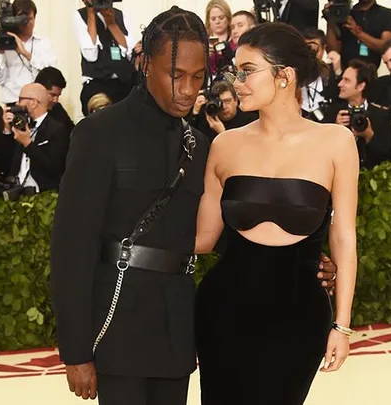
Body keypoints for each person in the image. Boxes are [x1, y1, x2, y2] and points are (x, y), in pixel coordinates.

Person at [51, 7, 338, 405]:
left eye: (198, 77)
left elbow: (214, 234)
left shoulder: (197, 144)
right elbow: (71, 248)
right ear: (146, 64)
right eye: (176, 75)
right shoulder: (99, 133)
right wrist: (76, 351)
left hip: (179, 331)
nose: (188, 89)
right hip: (117, 325)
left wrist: (303, 259)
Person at [195, 22, 358, 405]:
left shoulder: (335, 142)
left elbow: (344, 237)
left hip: (300, 318)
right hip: (224, 313)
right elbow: (202, 239)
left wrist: (343, 326)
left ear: (284, 76)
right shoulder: (224, 145)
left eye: (248, 70)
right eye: (235, 70)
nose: (237, 81)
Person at [0, 83, 68, 191]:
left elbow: (54, 169)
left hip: (42, 194)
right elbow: (4, 164)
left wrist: (28, 144)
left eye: (21, 99)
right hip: (15, 191)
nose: (17, 103)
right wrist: (7, 130)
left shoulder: (57, 129)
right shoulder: (20, 124)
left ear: (33, 103)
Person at [324, 59, 391, 169]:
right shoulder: (333, 112)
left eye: (346, 80)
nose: (340, 84)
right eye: (342, 79)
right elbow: (323, 152)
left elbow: (387, 157)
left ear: (361, 86)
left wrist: (369, 135)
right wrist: (336, 128)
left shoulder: (381, 115)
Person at [74, 0, 137, 116]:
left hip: (123, 81)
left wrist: (112, 24)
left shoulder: (122, 16)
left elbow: (131, 54)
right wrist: (91, 13)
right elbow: (90, 55)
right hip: (97, 83)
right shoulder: (81, 16)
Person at [0, 0, 57, 105]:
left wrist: (26, 54)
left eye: (30, 19)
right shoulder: (4, 43)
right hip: (13, 102)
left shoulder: (44, 43)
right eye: (22, 19)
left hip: (39, 103)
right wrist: (0, 50)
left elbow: (51, 73)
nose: (27, 23)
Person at [324, 0, 391, 69]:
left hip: (370, 74)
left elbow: (388, 47)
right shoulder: (344, 13)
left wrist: (358, 33)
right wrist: (330, 19)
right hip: (345, 72)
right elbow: (333, 51)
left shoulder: (386, 14)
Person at [190, 79, 257, 142]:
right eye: (220, 103)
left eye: (228, 101)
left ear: (236, 100)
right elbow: (191, 141)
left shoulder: (250, 120)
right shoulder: (209, 117)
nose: (224, 107)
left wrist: (222, 132)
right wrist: (195, 113)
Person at [34, 67, 74, 137]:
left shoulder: (57, 109)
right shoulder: (25, 111)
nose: (56, 100)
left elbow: (73, 132)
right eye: (52, 95)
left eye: (58, 96)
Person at [205, 0, 234, 78]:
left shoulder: (235, 39)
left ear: (228, 18)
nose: (217, 22)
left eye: (221, 18)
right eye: (213, 19)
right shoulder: (203, 42)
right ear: (208, 21)